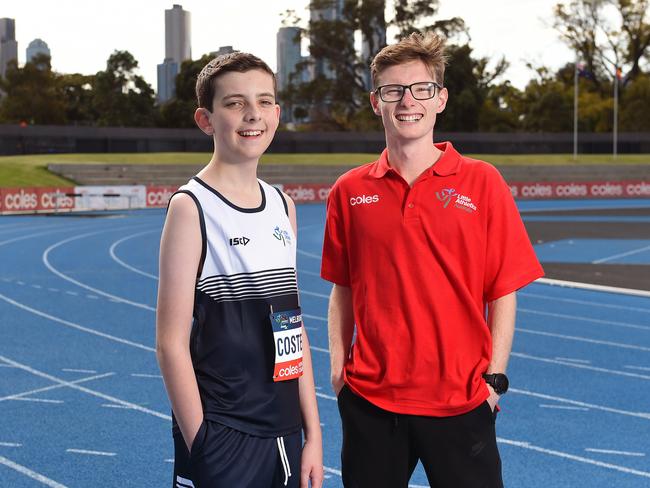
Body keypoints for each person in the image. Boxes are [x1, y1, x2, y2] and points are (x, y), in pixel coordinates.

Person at [321, 32, 544, 488]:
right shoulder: (349, 190)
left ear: (440, 99)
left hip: (462, 402)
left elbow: (503, 289)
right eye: (393, 90)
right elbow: (342, 287)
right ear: (375, 101)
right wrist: (338, 371)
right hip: (371, 403)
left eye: (421, 89)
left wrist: (494, 379)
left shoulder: (483, 182)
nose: (407, 101)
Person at [156, 52, 323, 488]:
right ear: (205, 119)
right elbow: (170, 343)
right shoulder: (191, 207)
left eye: (264, 101)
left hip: (286, 431)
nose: (253, 115)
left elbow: (293, 324)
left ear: (278, 113)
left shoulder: (282, 205)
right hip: (224, 431)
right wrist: (202, 444)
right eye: (234, 103)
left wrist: (314, 434)